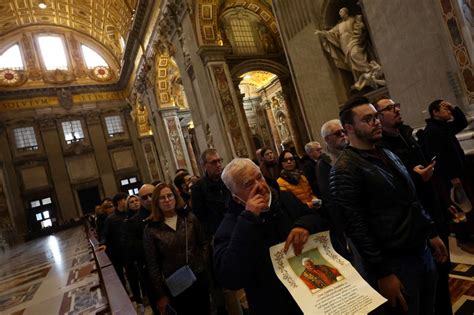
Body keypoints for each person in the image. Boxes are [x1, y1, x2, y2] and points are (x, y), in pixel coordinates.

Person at [329, 96, 447, 314]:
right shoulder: (344, 169)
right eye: (368, 119)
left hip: (420, 250)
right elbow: (356, 228)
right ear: (349, 128)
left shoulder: (389, 154)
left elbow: (411, 199)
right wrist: (383, 273)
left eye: (376, 117)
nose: (376, 122)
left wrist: (430, 232)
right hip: (394, 263)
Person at [214, 158, 328, 315]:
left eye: (259, 177)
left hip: (312, 295)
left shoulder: (285, 199)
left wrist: (304, 225)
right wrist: (248, 219)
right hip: (272, 304)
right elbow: (230, 277)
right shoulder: (230, 225)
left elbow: (316, 219)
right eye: (248, 184)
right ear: (235, 197)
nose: (260, 186)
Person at [374, 96, 452, 314]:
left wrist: (444, 203)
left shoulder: (408, 134)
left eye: (396, 106)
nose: (396, 110)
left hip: (434, 214)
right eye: (389, 109)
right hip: (415, 226)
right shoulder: (381, 148)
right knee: (427, 289)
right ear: (378, 118)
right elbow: (392, 192)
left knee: (442, 277)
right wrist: (415, 178)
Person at [143, 183, 210, 315]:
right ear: (156, 202)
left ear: (175, 197)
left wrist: (201, 262)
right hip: (175, 283)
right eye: (162, 198)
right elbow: (153, 264)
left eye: (170, 196)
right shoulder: (151, 229)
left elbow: (204, 242)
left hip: (197, 276)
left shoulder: (189, 218)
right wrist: (160, 294)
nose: (167, 200)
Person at [191, 149, 242, 315]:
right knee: (227, 281)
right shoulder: (199, 187)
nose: (218, 165)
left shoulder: (228, 180)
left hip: (238, 230)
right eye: (213, 162)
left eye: (220, 160)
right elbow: (200, 217)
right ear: (204, 165)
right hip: (217, 236)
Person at [421, 99, 473, 252]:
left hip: (457, 174)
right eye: (445, 109)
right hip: (449, 178)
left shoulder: (443, 126)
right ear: (435, 113)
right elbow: (439, 157)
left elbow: (462, 123)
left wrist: (454, 107)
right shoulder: (432, 131)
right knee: (457, 209)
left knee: (464, 205)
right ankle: (462, 239)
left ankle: (467, 234)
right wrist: (452, 177)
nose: (449, 112)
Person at [314, 7, 384, 90]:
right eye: (339, 12)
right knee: (351, 60)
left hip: (354, 40)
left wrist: (360, 26)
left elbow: (360, 27)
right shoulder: (339, 25)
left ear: (346, 12)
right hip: (344, 44)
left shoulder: (352, 19)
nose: (340, 13)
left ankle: (369, 70)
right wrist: (322, 33)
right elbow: (330, 33)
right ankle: (359, 79)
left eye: (341, 11)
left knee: (355, 53)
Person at [124, 184, 159, 314]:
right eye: (144, 197)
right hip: (151, 273)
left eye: (151, 195)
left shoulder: (166, 212)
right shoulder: (133, 222)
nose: (149, 199)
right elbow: (133, 250)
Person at [123, 195, 144, 313]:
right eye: (132, 202)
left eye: (137, 200)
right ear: (128, 206)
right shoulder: (128, 221)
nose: (135, 203)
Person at [101, 193, 128, 286]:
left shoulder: (129, 214)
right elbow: (105, 233)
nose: (125, 200)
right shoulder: (110, 218)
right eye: (123, 199)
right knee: (119, 273)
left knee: (131, 272)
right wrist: (103, 243)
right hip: (116, 250)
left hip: (128, 248)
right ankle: (124, 291)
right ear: (118, 202)